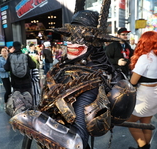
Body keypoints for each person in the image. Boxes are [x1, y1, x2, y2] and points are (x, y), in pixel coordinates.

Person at [9, 10, 135, 149]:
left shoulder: (90, 83)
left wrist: (23, 115)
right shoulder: (63, 68)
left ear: (94, 43)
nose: (71, 43)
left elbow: (75, 142)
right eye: (70, 36)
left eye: (81, 38)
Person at [127, 31, 157, 149]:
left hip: (144, 94)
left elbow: (133, 81)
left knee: (131, 122)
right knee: (146, 123)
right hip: (154, 93)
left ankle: (143, 147)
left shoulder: (146, 58)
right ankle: (145, 146)